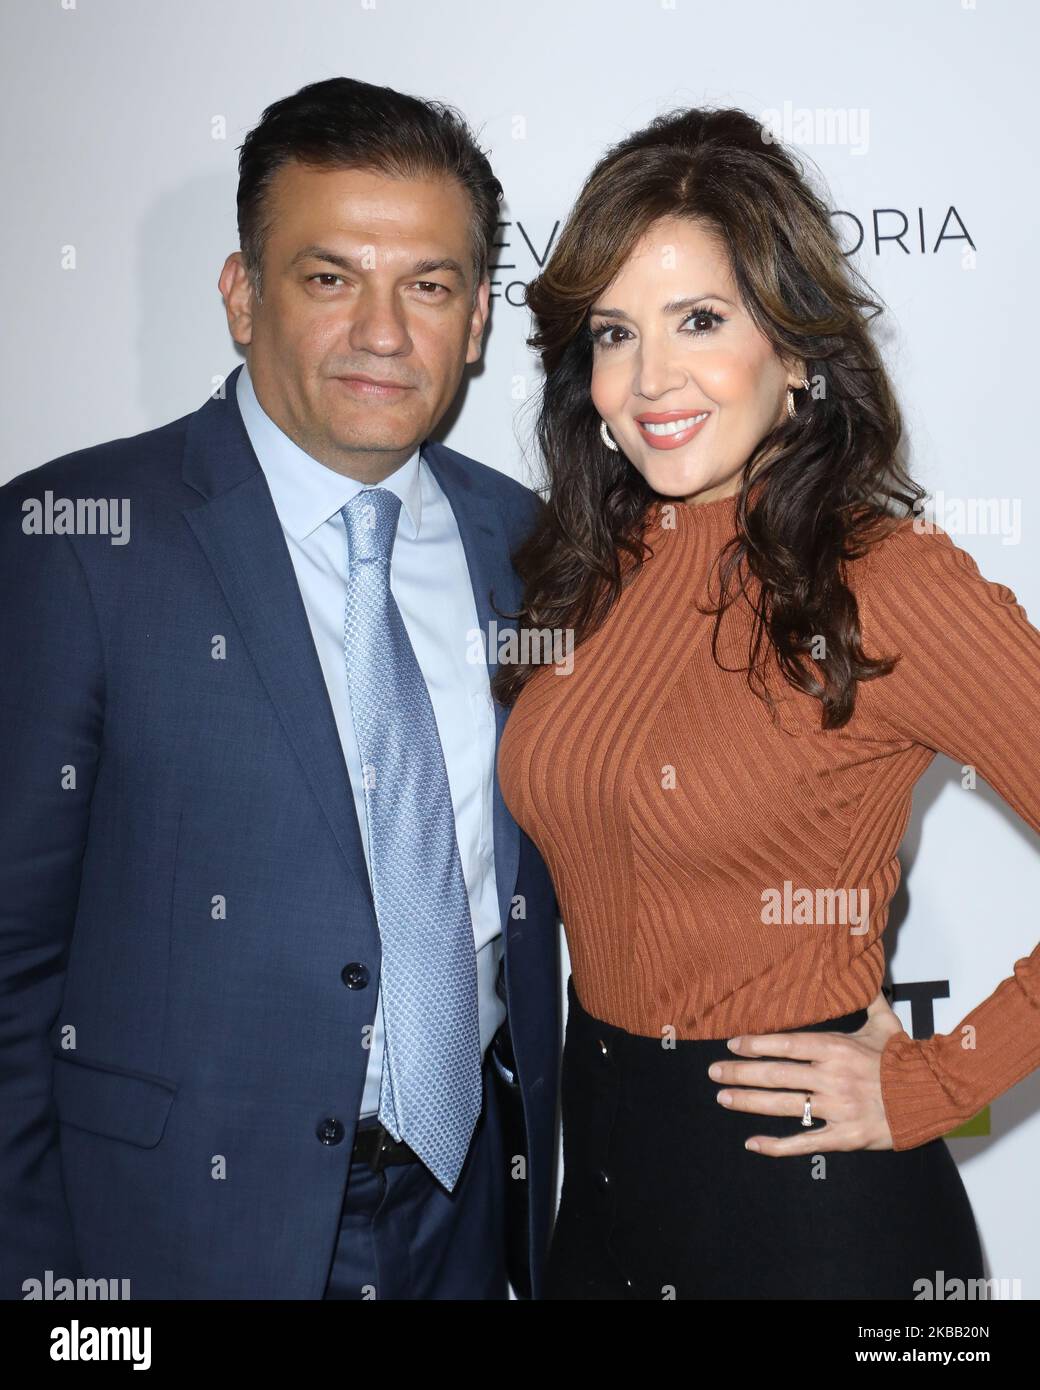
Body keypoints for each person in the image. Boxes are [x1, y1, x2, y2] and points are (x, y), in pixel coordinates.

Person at [0, 76, 561, 1301]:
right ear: (241, 296)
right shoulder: (74, 541)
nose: (381, 331)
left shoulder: (525, 549)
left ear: (475, 322)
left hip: (459, 1220)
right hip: (170, 1239)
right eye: (328, 277)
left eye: (428, 285)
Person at [495, 105, 1040, 1299]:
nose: (649, 382)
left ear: (794, 349)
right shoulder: (588, 569)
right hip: (600, 1195)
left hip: (809, 1215)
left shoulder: (887, 579)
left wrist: (937, 1081)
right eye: (612, 334)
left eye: (699, 320)